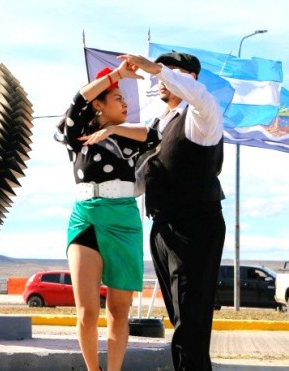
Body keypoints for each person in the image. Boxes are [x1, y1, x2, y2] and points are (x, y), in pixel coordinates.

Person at [119, 52, 226, 371]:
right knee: (182, 318)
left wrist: (157, 69)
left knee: (190, 321)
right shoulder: (157, 125)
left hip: (196, 226)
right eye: (161, 73)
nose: (161, 79)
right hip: (163, 228)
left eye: (172, 72)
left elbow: (199, 96)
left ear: (191, 78)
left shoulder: (202, 115)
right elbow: (140, 178)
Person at [55, 60, 160, 371]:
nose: (125, 104)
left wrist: (114, 128)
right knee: (87, 311)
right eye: (118, 98)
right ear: (98, 104)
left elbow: (154, 134)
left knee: (118, 310)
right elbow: (78, 102)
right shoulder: (76, 138)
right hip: (85, 219)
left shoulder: (129, 138)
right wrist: (115, 76)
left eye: (125, 99)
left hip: (125, 223)